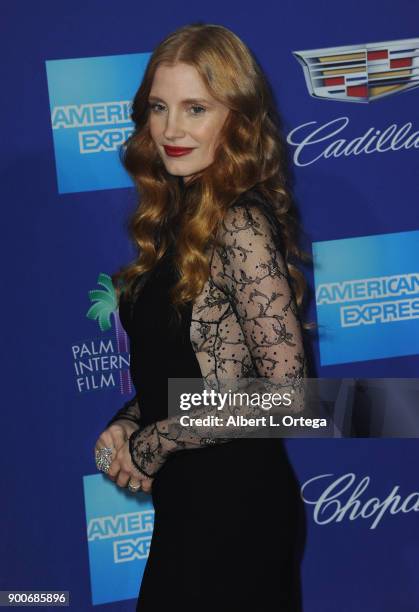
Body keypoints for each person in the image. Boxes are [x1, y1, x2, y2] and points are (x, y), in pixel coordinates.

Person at [94, 22, 313, 612]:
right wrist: (128, 422)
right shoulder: (176, 219)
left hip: (236, 511)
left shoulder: (240, 223)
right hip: (190, 506)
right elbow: (188, 371)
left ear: (236, 118)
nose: (171, 129)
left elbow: (287, 396)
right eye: (159, 108)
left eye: (196, 108)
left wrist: (155, 442)